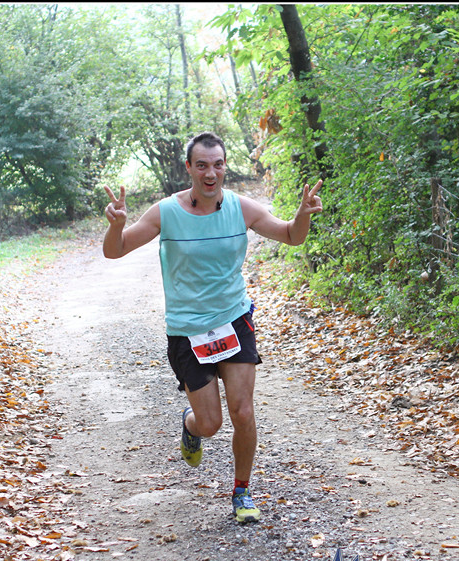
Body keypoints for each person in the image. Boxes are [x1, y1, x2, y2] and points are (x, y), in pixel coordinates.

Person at [102, 131, 323, 523]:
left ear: (224, 167)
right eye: (201, 165)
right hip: (187, 330)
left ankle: (242, 492)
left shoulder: (241, 208)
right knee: (211, 423)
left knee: (243, 411)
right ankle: (191, 428)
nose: (210, 173)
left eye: (217, 165)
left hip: (233, 320)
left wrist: (303, 214)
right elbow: (115, 250)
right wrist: (116, 225)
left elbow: (291, 235)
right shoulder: (165, 212)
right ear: (188, 167)